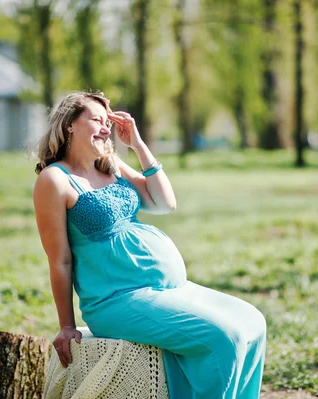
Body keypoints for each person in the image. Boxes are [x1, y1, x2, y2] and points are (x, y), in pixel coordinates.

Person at [32, 91, 267, 398]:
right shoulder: (55, 180)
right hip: (117, 300)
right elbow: (60, 260)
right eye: (96, 120)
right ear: (70, 125)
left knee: (253, 322)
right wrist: (66, 325)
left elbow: (164, 202)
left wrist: (138, 145)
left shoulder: (111, 165)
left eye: (108, 122)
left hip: (168, 290)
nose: (106, 128)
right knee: (225, 338)